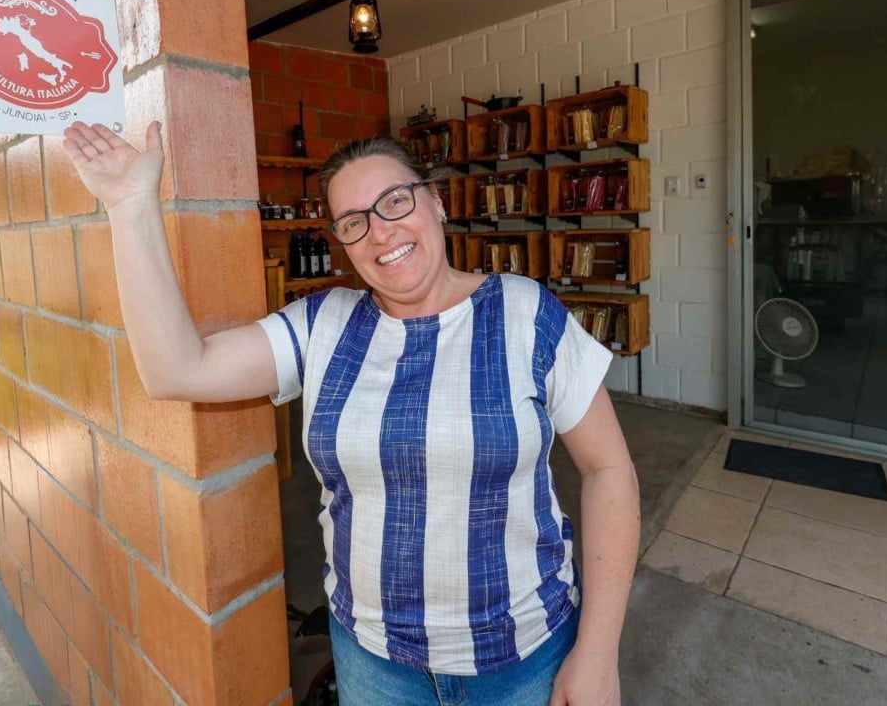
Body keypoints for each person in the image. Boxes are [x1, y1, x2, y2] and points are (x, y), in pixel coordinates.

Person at [62, 121, 640, 706]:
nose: (380, 232)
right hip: (374, 665)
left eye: (395, 200)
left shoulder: (525, 313)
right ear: (341, 239)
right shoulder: (323, 326)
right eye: (353, 221)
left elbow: (608, 471)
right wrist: (131, 205)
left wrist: (597, 653)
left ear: (435, 201)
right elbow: (176, 371)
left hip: (522, 657)